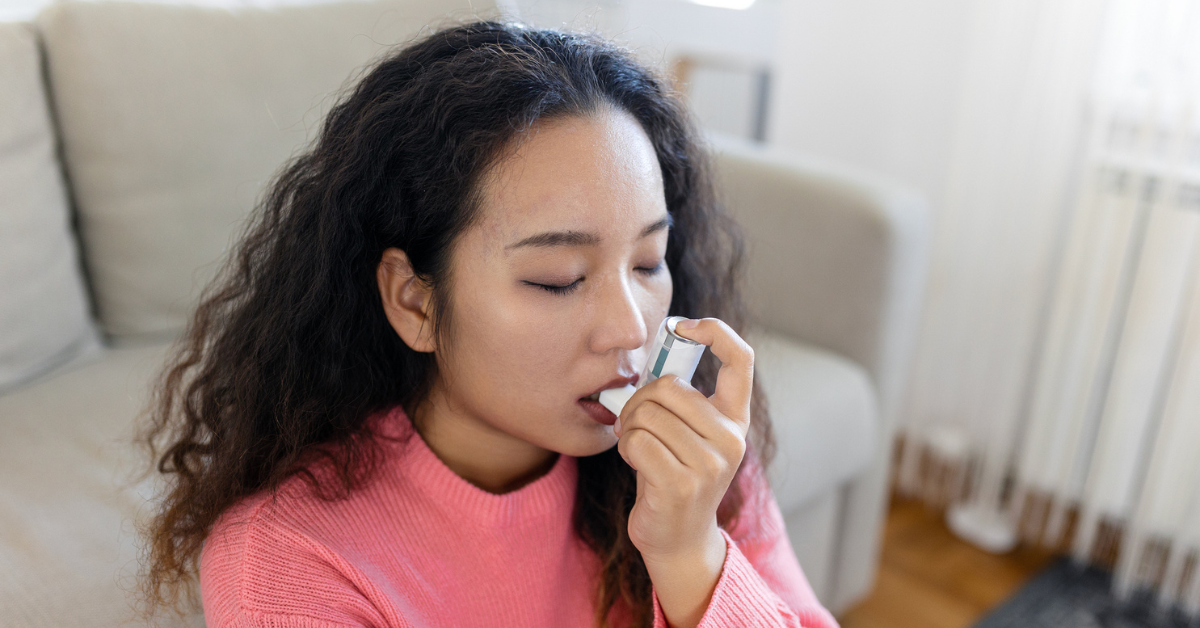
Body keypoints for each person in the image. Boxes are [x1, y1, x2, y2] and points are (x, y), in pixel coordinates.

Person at [136, 18, 839, 628]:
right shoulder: (288, 562)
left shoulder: (692, 460)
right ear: (414, 300)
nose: (631, 329)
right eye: (557, 279)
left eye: (650, 262)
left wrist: (693, 556)